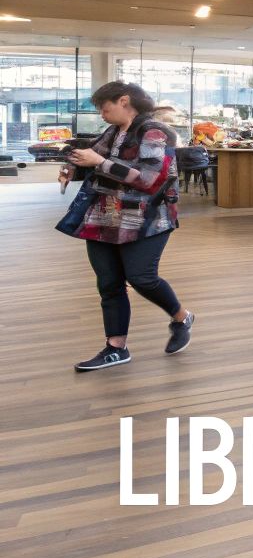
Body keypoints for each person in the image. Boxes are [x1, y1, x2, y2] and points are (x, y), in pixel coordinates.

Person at [60, 81, 195, 372]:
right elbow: (92, 155)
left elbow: (148, 180)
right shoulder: (114, 131)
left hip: (147, 219)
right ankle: (115, 348)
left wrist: (99, 161)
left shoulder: (156, 132)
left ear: (124, 101)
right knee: (109, 284)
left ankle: (181, 317)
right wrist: (73, 165)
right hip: (104, 215)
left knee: (142, 277)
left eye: (104, 107)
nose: (101, 114)